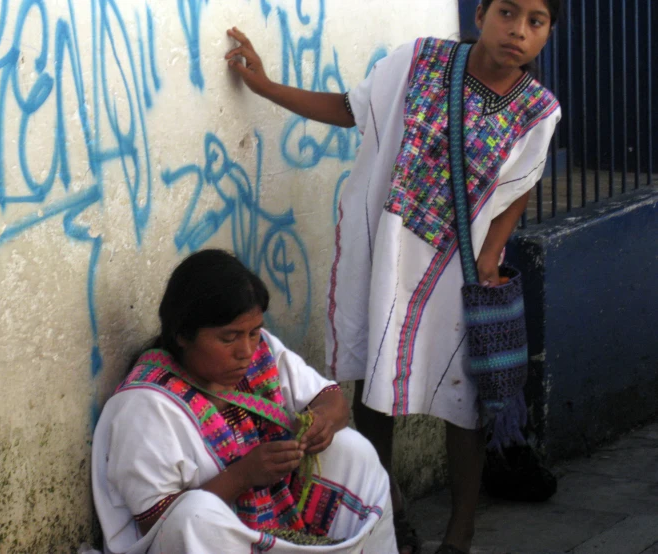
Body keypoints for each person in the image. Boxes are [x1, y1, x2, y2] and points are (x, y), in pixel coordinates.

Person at [224, 1, 562, 552]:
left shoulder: (538, 112)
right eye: (507, 12)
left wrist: (491, 254)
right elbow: (352, 109)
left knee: (463, 396)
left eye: (535, 21)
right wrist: (265, 87)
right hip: (383, 254)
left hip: (456, 270)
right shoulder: (419, 60)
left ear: (546, 34)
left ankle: (460, 532)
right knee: (374, 386)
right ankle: (392, 515)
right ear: (481, 14)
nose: (517, 30)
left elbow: (521, 184)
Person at [91, 249, 398, 554]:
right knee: (195, 513)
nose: (246, 350)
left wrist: (321, 423)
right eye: (229, 338)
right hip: (195, 541)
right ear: (182, 335)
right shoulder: (145, 406)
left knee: (350, 449)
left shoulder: (260, 352)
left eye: (253, 332)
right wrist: (243, 476)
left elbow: (332, 401)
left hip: (273, 524)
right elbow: (159, 522)